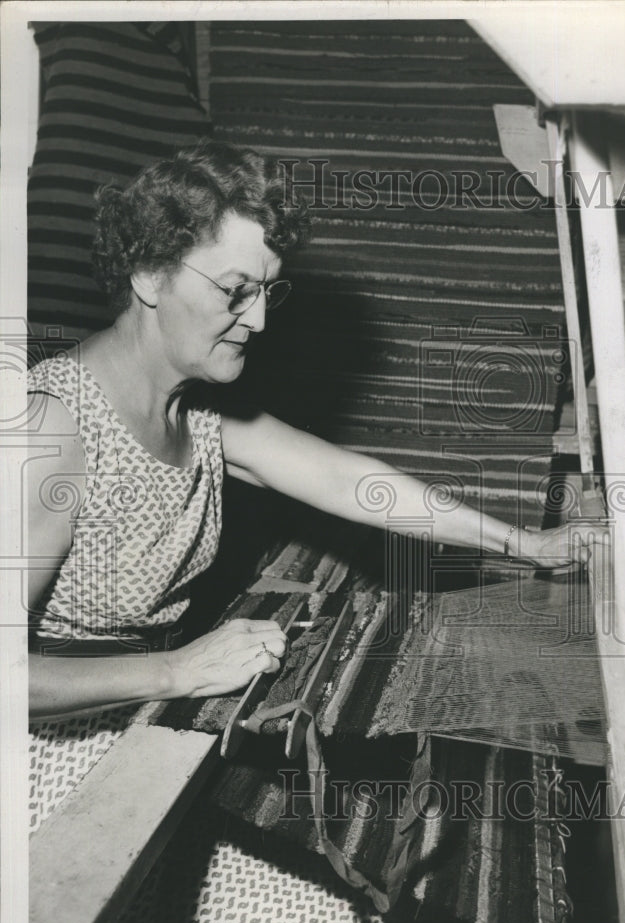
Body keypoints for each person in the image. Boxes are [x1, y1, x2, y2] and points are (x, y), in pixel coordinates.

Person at [27, 139, 595, 724]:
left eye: (267, 291)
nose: (259, 319)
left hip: (137, 721)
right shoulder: (51, 427)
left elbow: (348, 480)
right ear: (149, 275)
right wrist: (179, 670)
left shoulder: (194, 411)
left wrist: (524, 545)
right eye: (235, 290)